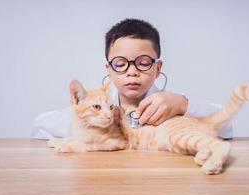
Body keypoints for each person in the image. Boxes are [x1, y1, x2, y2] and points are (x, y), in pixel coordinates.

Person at [32, 18, 233, 140]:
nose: (132, 72)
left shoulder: (172, 105)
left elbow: (226, 128)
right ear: (109, 70)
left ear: (158, 68)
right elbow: (40, 127)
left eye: (144, 62)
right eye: (120, 64)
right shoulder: (94, 111)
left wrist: (183, 104)